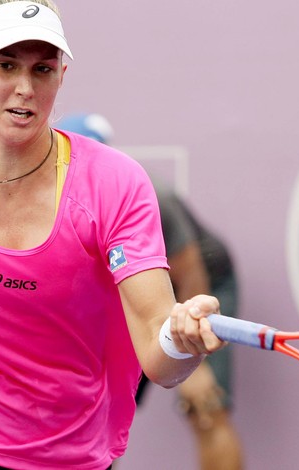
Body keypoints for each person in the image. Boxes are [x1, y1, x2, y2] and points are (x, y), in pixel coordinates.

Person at [0, 2, 226, 469]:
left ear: (61, 75)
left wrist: (182, 341)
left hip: (66, 450)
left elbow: (160, 362)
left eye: (42, 69)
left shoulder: (115, 186)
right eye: (5, 65)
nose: (24, 88)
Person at [58, 113, 244, 470]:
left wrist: (196, 362)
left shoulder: (144, 193)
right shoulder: (50, 200)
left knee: (204, 407)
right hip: (130, 290)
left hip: (199, 284)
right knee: (94, 410)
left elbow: (189, 274)